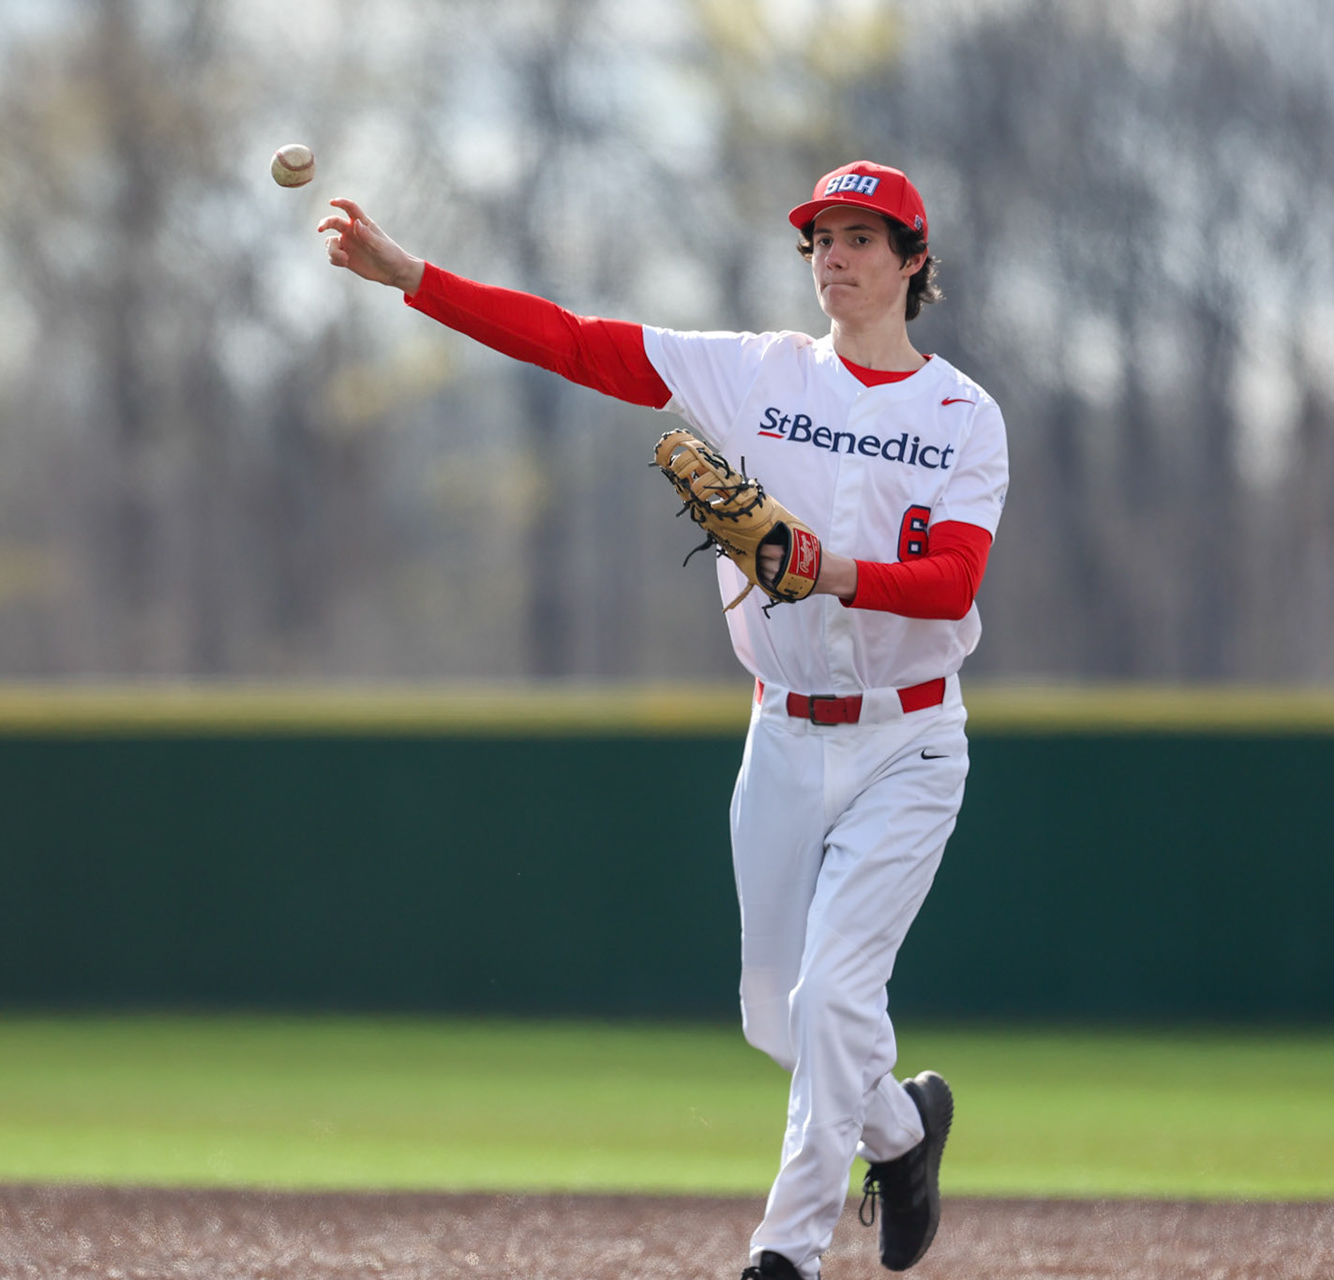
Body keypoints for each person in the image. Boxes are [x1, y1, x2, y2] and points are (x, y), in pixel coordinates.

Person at [318, 160, 1008, 1280]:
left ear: (913, 260)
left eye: (863, 238)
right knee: (779, 1021)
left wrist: (828, 568)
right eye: (823, 236)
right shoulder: (754, 375)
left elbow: (953, 584)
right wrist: (414, 277)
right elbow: (578, 342)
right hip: (782, 733)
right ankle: (900, 1127)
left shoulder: (964, 415)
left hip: (908, 738)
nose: (835, 254)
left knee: (835, 993)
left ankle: (784, 1255)